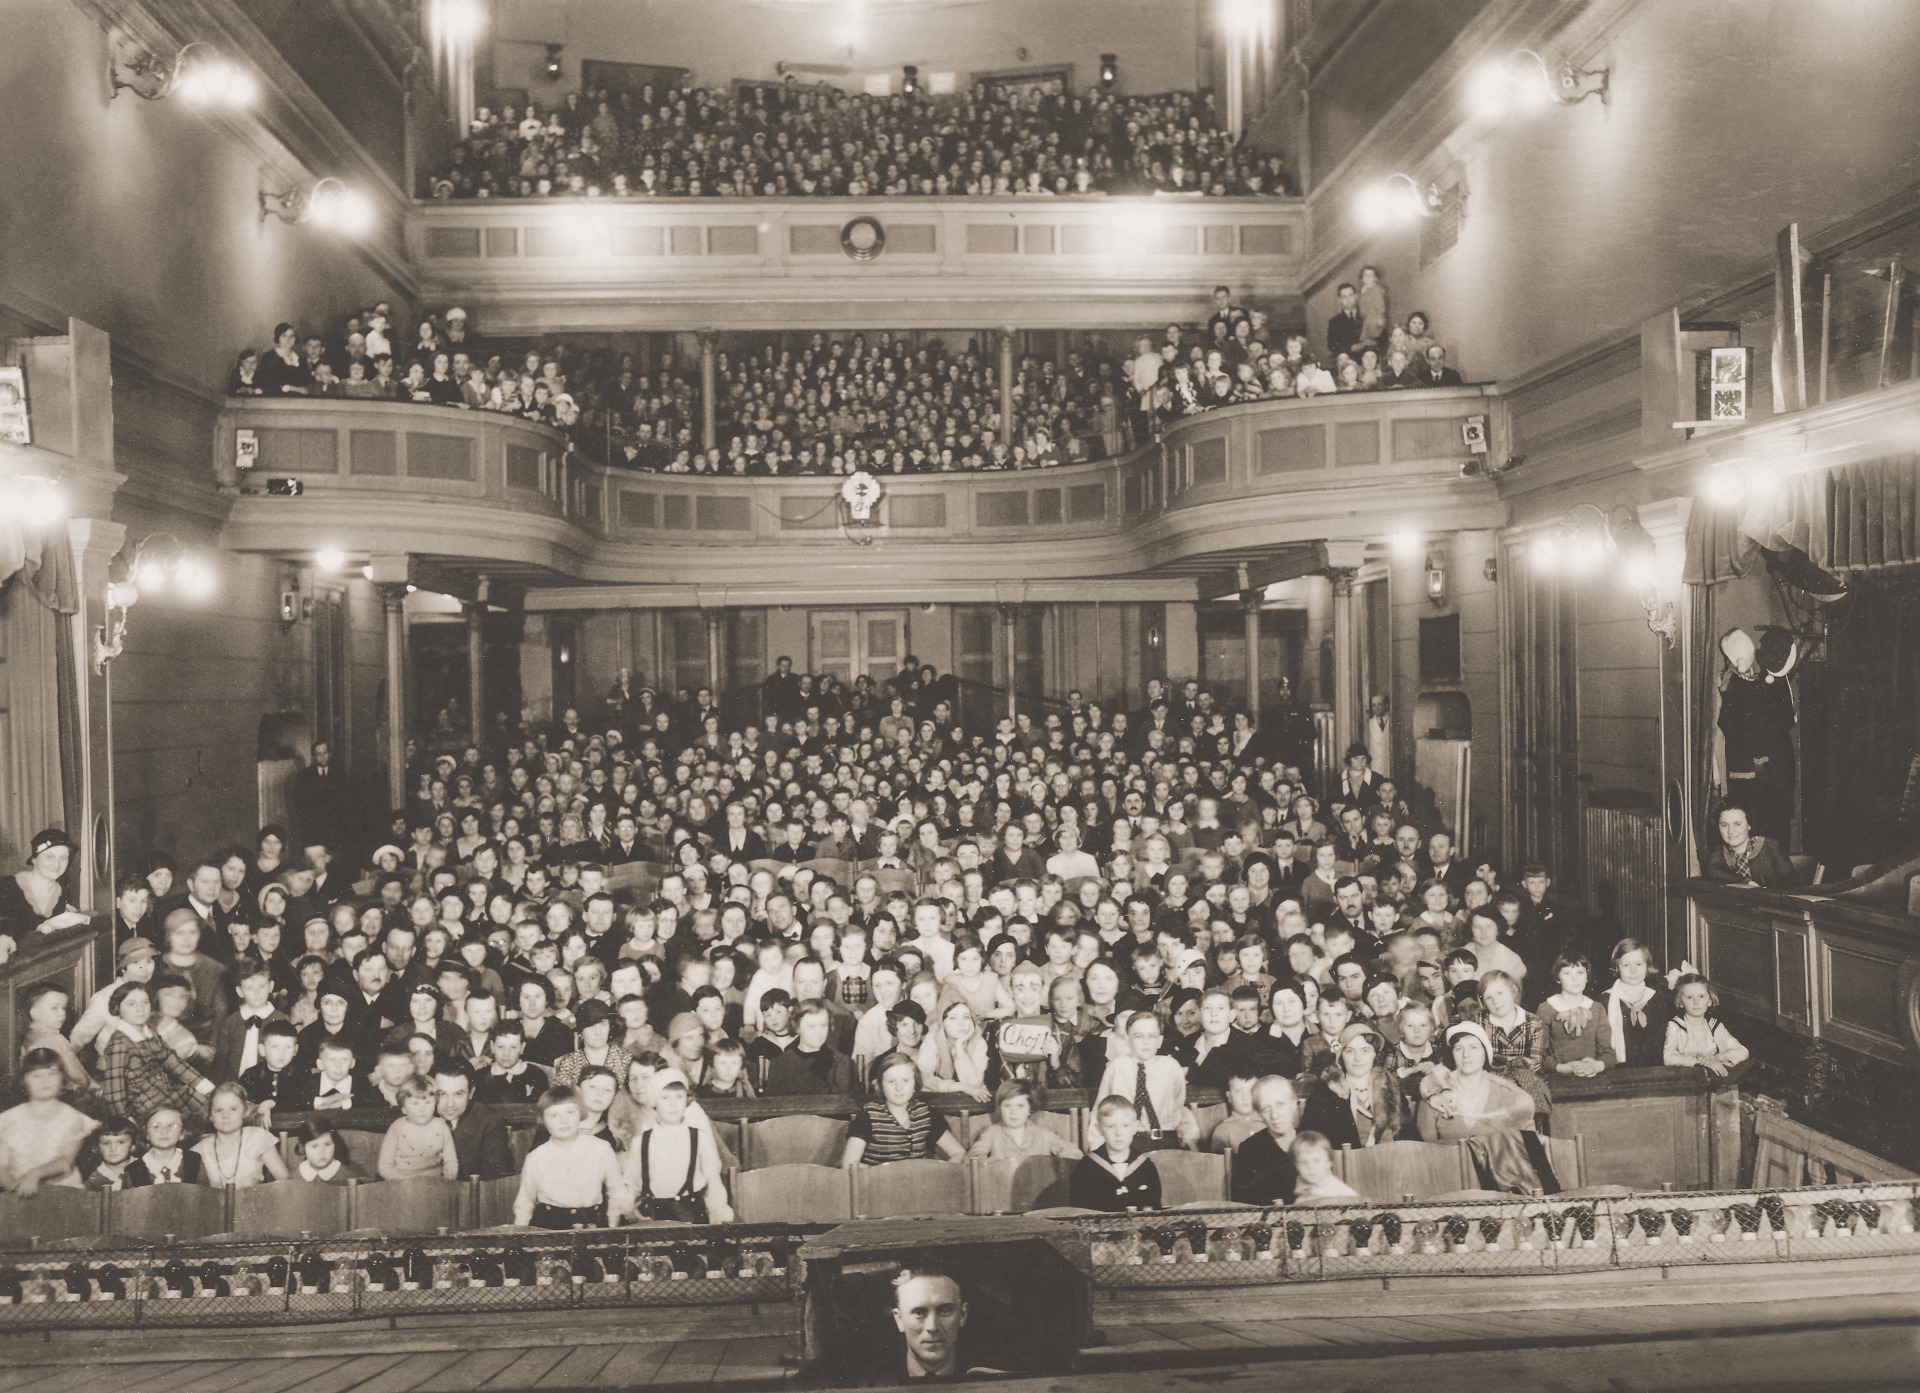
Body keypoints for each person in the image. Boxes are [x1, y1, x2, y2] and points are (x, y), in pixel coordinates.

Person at [512, 1084, 634, 1228]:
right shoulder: (536, 1157)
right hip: (549, 1225)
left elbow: (616, 1191)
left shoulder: (601, 1148)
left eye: (570, 1112)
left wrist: (612, 1226)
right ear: (544, 1121)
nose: (564, 1120)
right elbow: (524, 1203)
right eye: (554, 1115)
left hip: (592, 1223)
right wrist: (519, 1239)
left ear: (580, 1114)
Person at [98, 981, 216, 1122]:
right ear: (118, 1009)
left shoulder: (151, 1034)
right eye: (131, 1004)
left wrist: (209, 1089)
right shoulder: (119, 1043)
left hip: (166, 1097)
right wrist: (127, 1123)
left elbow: (175, 1063)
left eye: (145, 1002)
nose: (140, 1009)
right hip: (145, 1111)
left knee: (211, 1105)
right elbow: (114, 1093)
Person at [626, 1074, 732, 1222]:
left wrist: (718, 1214)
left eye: (679, 1097)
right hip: (653, 1218)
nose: (673, 1104)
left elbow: (713, 1183)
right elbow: (631, 1186)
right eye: (665, 1098)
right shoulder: (640, 1142)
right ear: (654, 1103)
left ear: (687, 1101)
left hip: (692, 1215)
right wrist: (629, 1209)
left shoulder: (700, 1138)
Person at [0, 1049, 98, 1194]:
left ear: (63, 1078)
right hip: (20, 1193)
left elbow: (65, 1162)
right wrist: (15, 1190)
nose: (45, 1081)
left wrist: (35, 1174)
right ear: (24, 1080)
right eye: (36, 1076)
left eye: (52, 1074)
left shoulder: (72, 1118)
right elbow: (1, 1166)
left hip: (63, 1193)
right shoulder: (8, 1120)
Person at [843, 1052, 964, 1166]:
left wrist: (942, 1173)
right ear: (881, 1085)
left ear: (915, 1084)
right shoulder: (868, 1115)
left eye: (905, 1081)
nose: (899, 1088)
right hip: (878, 1185)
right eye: (891, 1081)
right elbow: (849, 1165)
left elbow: (958, 1153)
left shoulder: (926, 1113)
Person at [1298, 1021, 1406, 1149]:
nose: (1358, 1058)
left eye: (1365, 1050)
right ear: (1341, 1056)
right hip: (1346, 1165)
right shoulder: (1325, 1093)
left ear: (1374, 1054)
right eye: (1350, 1051)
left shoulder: (1390, 1086)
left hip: (1390, 1163)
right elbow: (1311, 1143)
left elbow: (1409, 1135)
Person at [1069, 1095, 1162, 1212]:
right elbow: (1079, 1213)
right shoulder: (1086, 1168)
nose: (1118, 1133)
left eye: (1125, 1125)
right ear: (1099, 1129)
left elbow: (1154, 1210)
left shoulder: (1146, 1167)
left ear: (1135, 1127)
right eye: (1111, 1126)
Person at [0, 829, 91, 944]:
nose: (57, 865)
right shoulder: (7, 887)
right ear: (34, 859)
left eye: (63, 858)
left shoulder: (63, 893)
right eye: (50, 857)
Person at [191, 1082, 287, 1187]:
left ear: (245, 1111)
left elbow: (284, 1182)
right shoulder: (200, 1150)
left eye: (233, 1109)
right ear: (210, 1115)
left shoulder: (258, 1137)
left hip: (253, 1202)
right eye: (219, 1110)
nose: (226, 1116)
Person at [434, 1060, 516, 1179]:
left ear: (471, 1093)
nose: (450, 1104)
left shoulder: (488, 1121)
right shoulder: (418, 1117)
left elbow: (495, 1178)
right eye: (442, 1094)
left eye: (458, 1094)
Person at [964, 1079, 1081, 1161]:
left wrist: (1055, 1165)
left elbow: (1073, 1152)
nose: (1013, 1112)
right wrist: (989, 1163)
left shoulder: (1043, 1134)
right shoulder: (992, 1132)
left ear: (1030, 1109)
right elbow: (974, 1157)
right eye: (1007, 1106)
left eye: (1020, 1106)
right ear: (1000, 1108)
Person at [891, 1265, 971, 1381]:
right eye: (919, 1313)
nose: (932, 1327)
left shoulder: (993, 1381)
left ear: (963, 1315)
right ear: (899, 1319)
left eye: (945, 1311)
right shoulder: (870, 1385)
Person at [1229, 1075, 1299, 1205]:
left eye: (1280, 1105)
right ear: (1259, 1114)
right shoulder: (1251, 1149)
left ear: (1294, 1104)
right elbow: (1245, 1206)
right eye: (1266, 1109)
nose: (1274, 1115)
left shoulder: (1311, 1141)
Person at [1603, 938, 1671, 1068]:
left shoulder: (1658, 997)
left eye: (1639, 964)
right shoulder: (1606, 1000)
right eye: (1626, 965)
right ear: (1617, 967)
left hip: (1656, 1069)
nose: (1633, 971)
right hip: (1619, 1070)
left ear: (1647, 966)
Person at [1663, 974, 1750, 1076]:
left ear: (1709, 1001)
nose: (1696, 1002)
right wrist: (1701, 1061)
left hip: (1715, 1084)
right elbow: (1668, 1058)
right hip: (1688, 1082)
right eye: (1689, 997)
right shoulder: (1676, 1026)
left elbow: (1742, 1051)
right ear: (1680, 1002)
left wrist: (1716, 1058)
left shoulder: (1714, 1026)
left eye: (1701, 996)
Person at [378, 1076, 461, 1180]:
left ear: (435, 1104)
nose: (422, 1109)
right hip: (402, 1184)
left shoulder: (442, 1127)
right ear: (404, 1108)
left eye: (428, 1102)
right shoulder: (397, 1128)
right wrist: (403, 1182)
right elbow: (385, 1166)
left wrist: (448, 1181)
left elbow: (451, 1162)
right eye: (415, 1103)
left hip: (435, 1184)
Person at [1702, 805, 1797, 889]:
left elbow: (1791, 883)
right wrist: (1745, 882)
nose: (1730, 831)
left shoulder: (1771, 846)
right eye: (1724, 825)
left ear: (1749, 825)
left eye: (1737, 824)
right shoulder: (1719, 851)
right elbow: (1712, 871)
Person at [1289, 1131, 1359, 1203]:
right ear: (1296, 1166)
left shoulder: (1342, 1194)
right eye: (1303, 1162)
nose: (1310, 1167)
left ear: (1329, 1162)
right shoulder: (1301, 1192)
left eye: (1316, 1161)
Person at [291, 1121, 369, 1184]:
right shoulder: (294, 1178)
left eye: (327, 1144)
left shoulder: (350, 1175)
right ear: (303, 1148)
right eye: (314, 1146)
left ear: (335, 1144)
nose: (322, 1151)